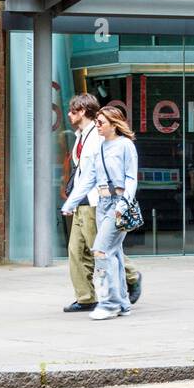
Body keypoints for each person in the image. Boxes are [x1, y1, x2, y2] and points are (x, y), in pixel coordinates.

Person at [61, 94, 141, 313]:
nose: (69, 114)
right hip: (86, 202)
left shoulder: (107, 140)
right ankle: (87, 298)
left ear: (84, 111)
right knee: (78, 250)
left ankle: (121, 291)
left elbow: (129, 178)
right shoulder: (82, 137)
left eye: (73, 110)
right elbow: (86, 176)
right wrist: (71, 202)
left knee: (101, 249)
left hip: (100, 203)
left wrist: (122, 203)